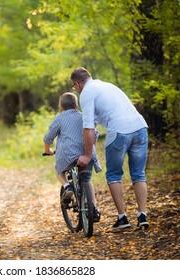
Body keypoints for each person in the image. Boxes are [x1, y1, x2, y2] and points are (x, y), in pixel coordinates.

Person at [70, 66, 149, 230]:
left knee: (114, 175)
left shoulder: (86, 93)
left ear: (77, 84)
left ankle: (123, 218)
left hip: (120, 131)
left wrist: (86, 155)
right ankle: (142, 216)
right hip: (141, 128)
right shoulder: (107, 86)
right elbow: (98, 119)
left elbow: (88, 128)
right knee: (139, 174)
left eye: (74, 86)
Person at [43, 92, 101, 222]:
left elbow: (49, 138)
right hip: (87, 153)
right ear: (76, 106)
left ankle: (67, 186)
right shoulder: (84, 117)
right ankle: (94, 209)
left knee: (59, 170)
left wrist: (48, 151)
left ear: (61, 107)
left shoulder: (60, 118)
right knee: (86, 179)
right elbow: (95, 135)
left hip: (67, 155)